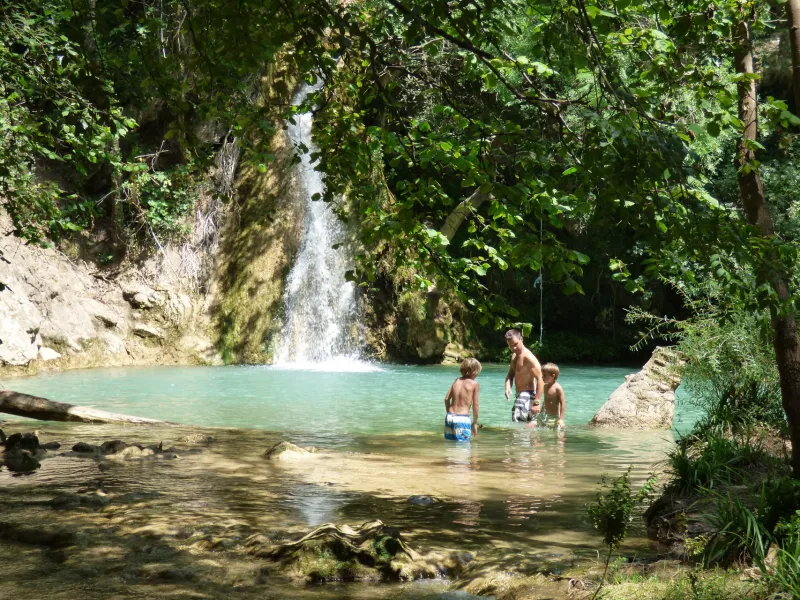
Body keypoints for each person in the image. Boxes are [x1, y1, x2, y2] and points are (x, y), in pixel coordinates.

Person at [504, 329, 544, 423]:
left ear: (521, 339)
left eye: (515, 344)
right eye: (511, 346)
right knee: (524, 426)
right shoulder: (514, 356)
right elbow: (510, 374)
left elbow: (540, 379)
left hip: (528, 395)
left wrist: (537, 402)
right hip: (520, 395)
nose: (514, 348)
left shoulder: (529, 358)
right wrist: (507, 387)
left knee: (517, 422)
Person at [444, 358, 481, 442]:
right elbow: (475, 406)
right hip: (462, 418)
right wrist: (475, 423)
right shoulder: (475, 384)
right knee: (463, 448)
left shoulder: (457, 380)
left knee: (449, 445)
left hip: (449, 416)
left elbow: (446, 399)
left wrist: (449, 414)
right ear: (474, 371)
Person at [536, 363, 566, 429]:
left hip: (554, 417)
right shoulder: (545, 386)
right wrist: (541, 412)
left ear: (553, 376)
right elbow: (545, 401)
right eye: (542, 375)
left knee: (555, 434)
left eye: (544, 375)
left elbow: (563, 404)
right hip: (544, 415)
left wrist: (561, 419)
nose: (542, 377)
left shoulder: (558, 388)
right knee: (538, 432)